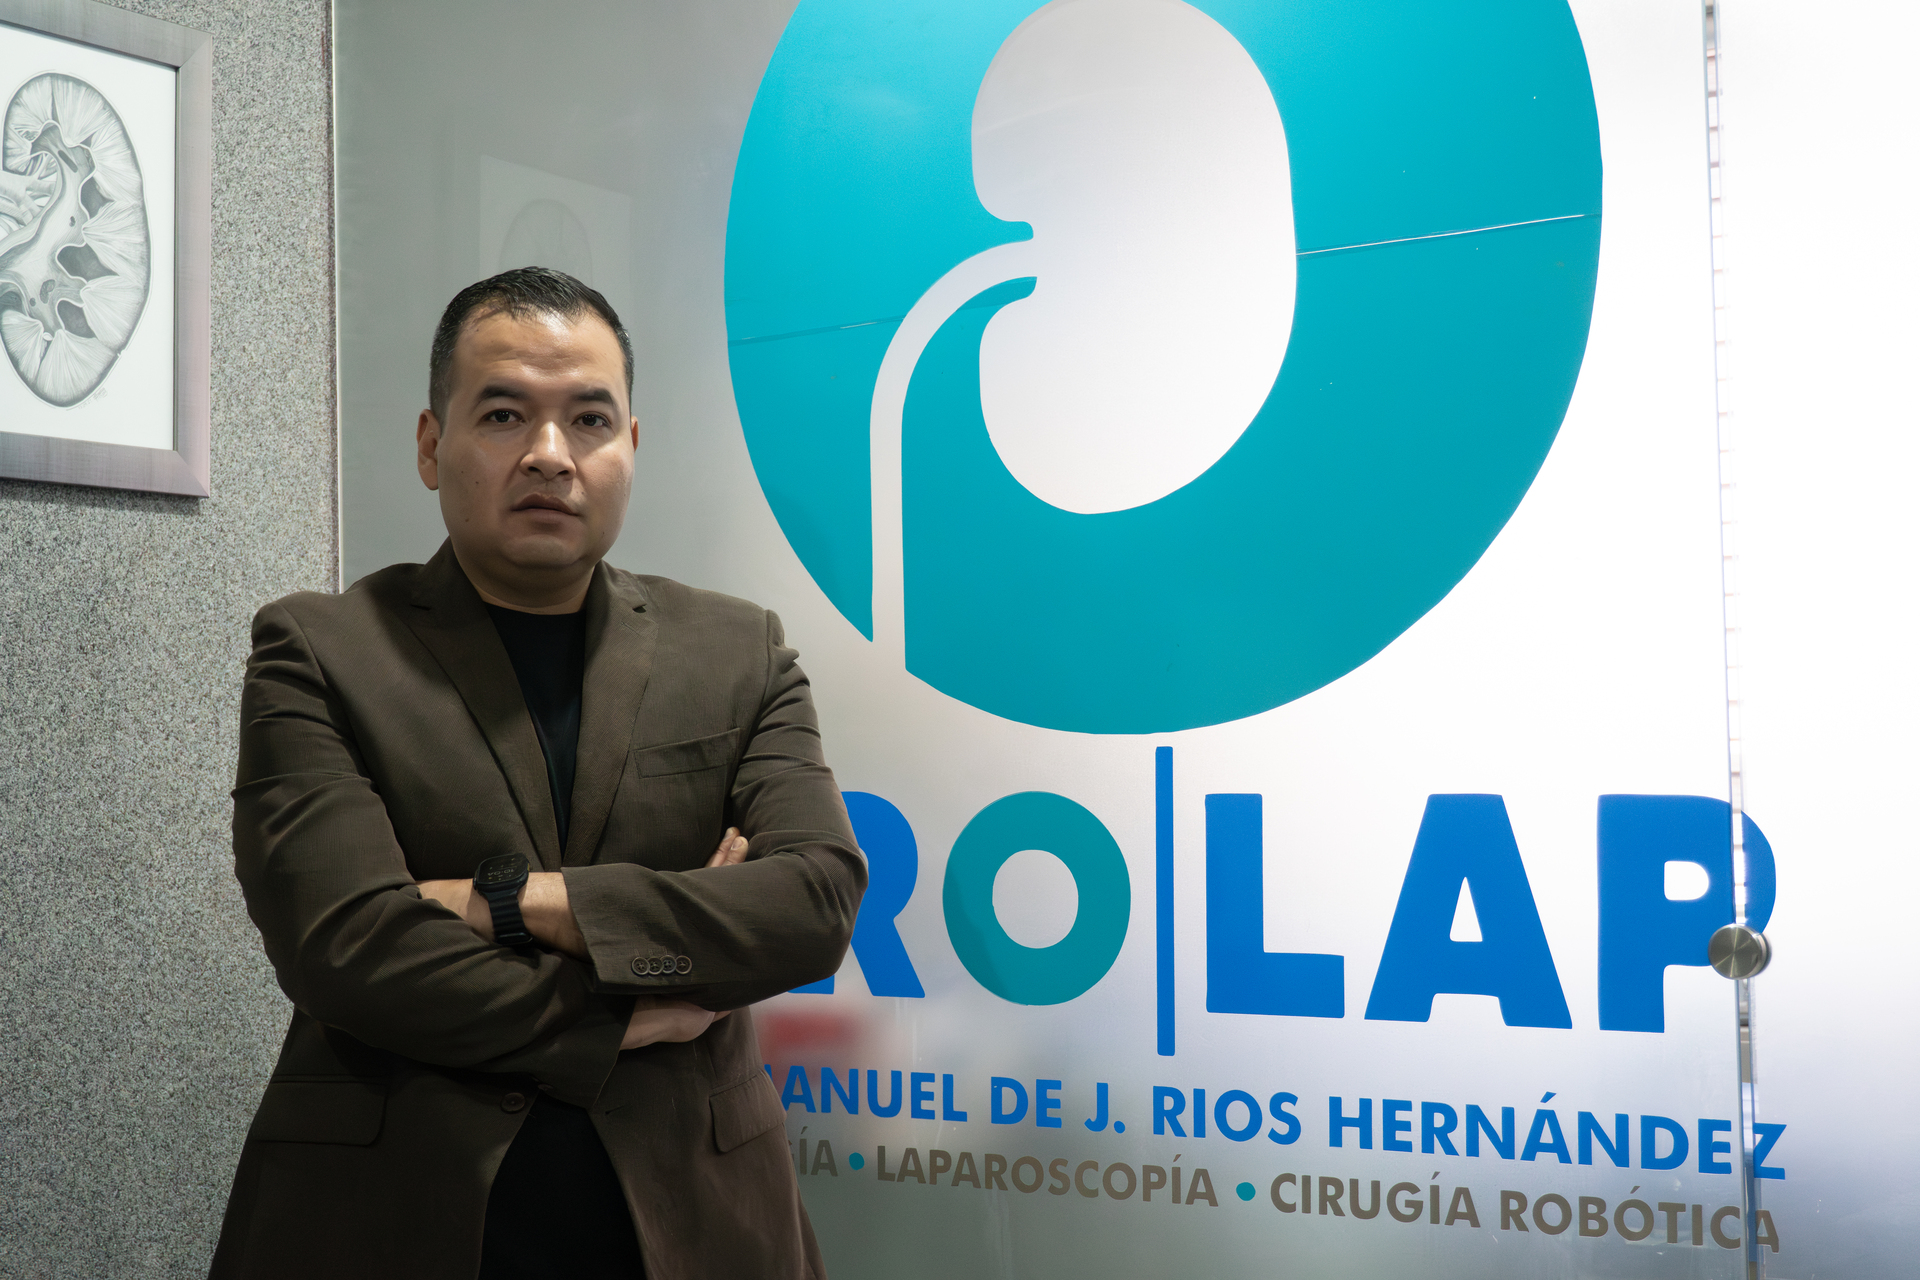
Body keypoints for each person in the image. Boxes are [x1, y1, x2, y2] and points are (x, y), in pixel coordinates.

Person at [210, 267, 864, 1279]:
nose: (550, 453)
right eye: (504, 413)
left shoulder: (738, 651)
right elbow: (345, 945)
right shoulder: (321, 649)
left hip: (700, 1222)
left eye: (589, 419)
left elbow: (812, 902)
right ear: (431, 445)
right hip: (398, 1217)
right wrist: (630, 1004)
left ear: (630, 446)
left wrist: (511, 902)